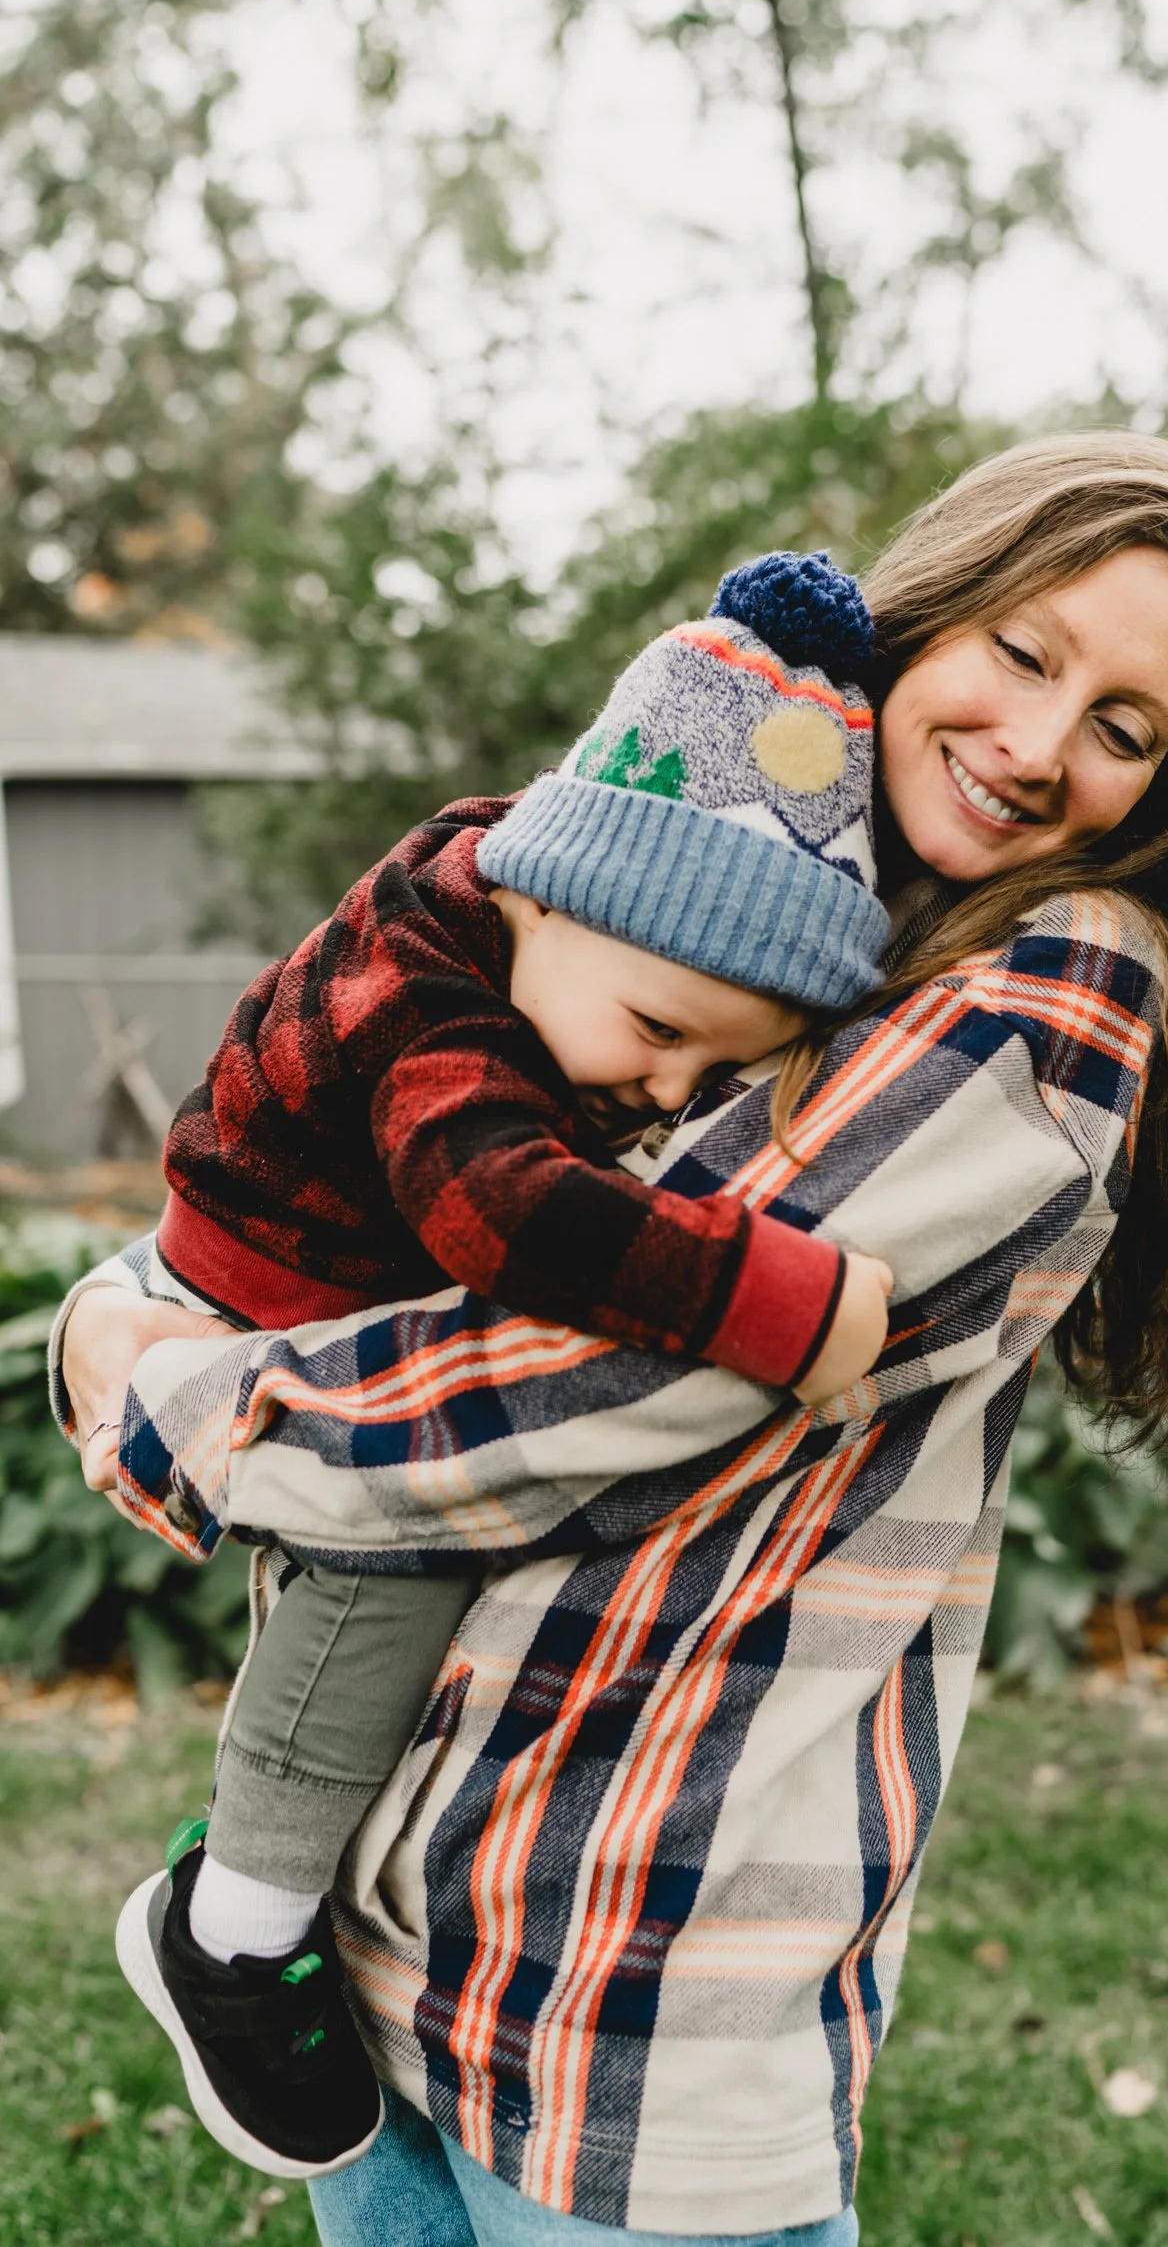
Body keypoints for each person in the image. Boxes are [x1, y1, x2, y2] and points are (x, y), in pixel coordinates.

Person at [59, 432, 1168, 2247]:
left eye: (1121, 727)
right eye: (1022, 653)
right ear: (921, 620)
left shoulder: (1052, 982)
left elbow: (600, 1374)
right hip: (391, 1900)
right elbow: (394, 1167)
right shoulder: (755, 882)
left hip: (628, 1952)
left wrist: (162, 1388)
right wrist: (149, 1299)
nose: (1038, 745)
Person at [97, 551, 901, 2181]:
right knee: (385, 1547)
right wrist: (780, 1300)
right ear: (548, 898)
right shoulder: (433, 1012)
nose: (665, 1092)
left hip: (325, 1280)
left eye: (715, 1071)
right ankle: (231, 1930)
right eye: (658, 1034)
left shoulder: (523, 915)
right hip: (266, 1301)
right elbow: (503, 1214)